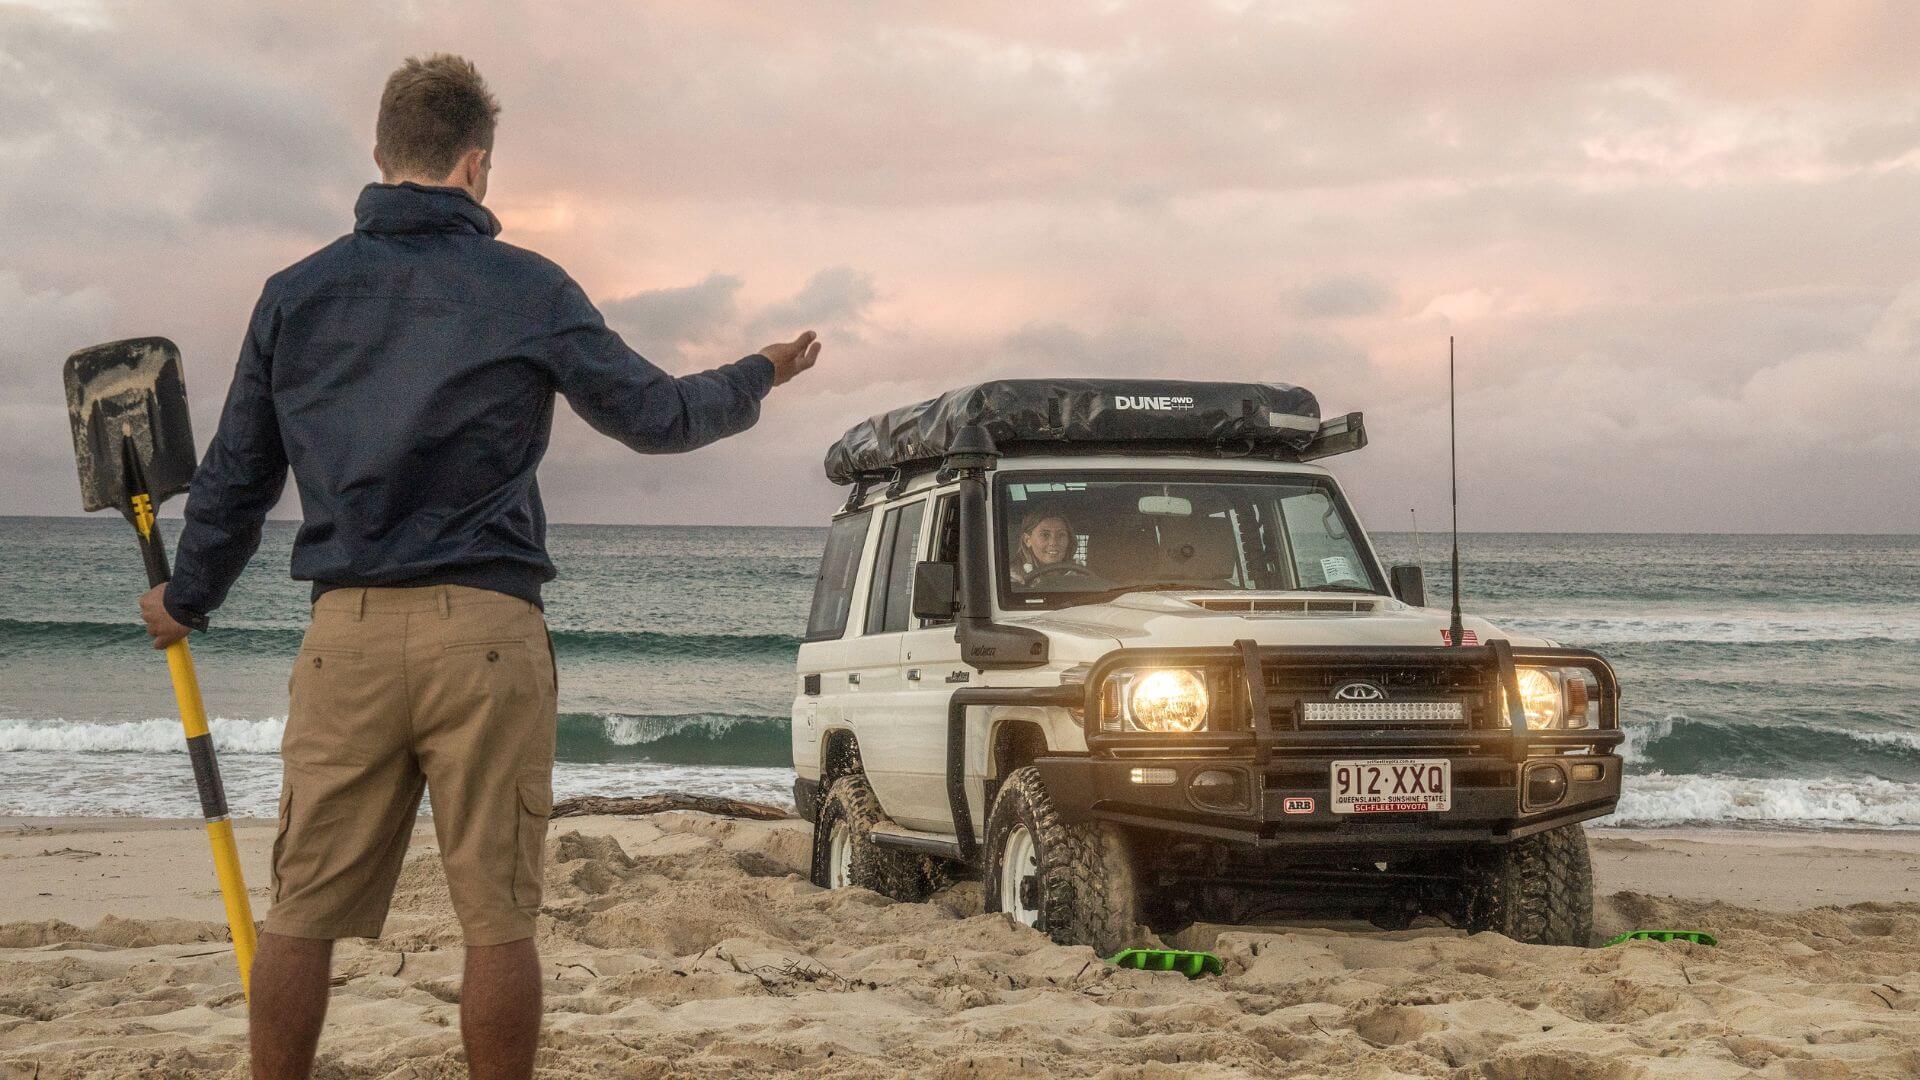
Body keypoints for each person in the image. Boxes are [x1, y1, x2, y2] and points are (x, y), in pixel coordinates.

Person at [133, 54, 821, 1080]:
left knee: (303, 908)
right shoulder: (528, 288)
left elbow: (238, 476)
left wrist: (185, 597)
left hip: (347, 640)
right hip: (486, 636)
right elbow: (658, 418)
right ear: (477, 164)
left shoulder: (295, 295)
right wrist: (759, 370)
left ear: (379, 155)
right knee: (497, 919)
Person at [1010, 510, 1076, 585]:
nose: (1053, 543)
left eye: (1061, 535)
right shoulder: (1013, 577)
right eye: (1045, 535)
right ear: (1027, 540)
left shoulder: (1080, 575)